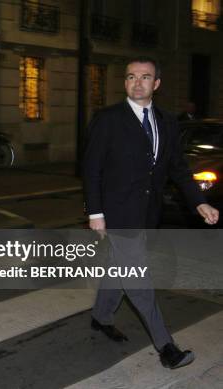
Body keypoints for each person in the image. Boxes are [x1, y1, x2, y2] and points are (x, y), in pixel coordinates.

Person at [83, 56, 219, 369]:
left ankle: (101, 317)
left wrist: (199, 201)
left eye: (145, 77)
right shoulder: (108, 118)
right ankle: (167, 347)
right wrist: (95, 213)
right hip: (117, 212)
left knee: (120, 266)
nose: (137, 82)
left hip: (148, 213)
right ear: (125, 82)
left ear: (156, 84)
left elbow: (178, 169)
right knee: (138, 278)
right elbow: (92, 169)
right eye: (131, 77)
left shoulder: (168, 121)